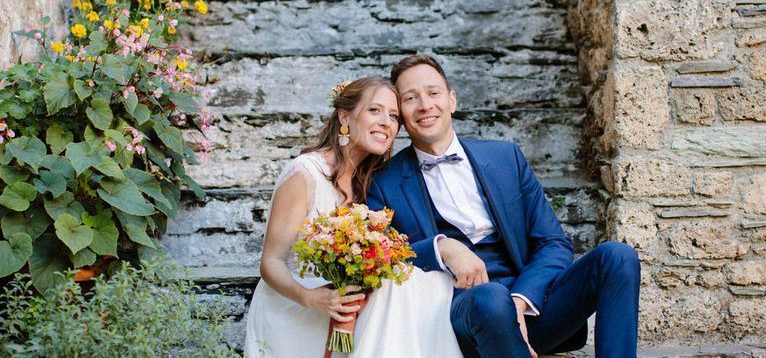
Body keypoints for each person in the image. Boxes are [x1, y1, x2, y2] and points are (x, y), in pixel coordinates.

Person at [368, 54, 641, 358]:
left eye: (433, 93)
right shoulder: (383, 182)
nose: (424, 105)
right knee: (489, 298)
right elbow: (385, 262)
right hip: (460, 318)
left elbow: (553, 243)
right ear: (402, 115)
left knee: (617, 257)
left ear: (452, 100)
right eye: (410, 98)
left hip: (532, 307)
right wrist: (440, 247)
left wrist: (521, 300)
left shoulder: (506, 157)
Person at [244, 76, 463, 358]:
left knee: (428, 285)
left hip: (343, 312)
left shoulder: (371, 186)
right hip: (295, 308)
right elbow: (270, 263)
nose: (387, 122)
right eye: (375, 110)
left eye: (394, 116)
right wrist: (311, 298)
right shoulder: (305, 174)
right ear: (345, 116)